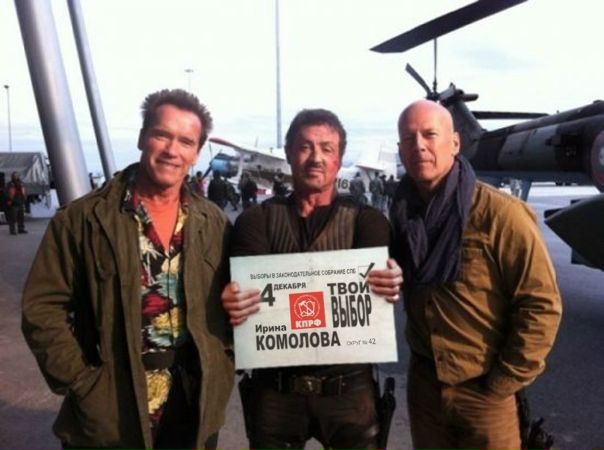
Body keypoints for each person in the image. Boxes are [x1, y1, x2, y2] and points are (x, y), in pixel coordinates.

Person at [21, 89, 234, 450]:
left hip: (194, 404)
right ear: (142, 138)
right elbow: (42, 308)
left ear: (196, 153)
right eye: (162, 135)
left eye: (186, 141)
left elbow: (239, 298)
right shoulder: (83, 219)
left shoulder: (213, 223)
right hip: (114, 408)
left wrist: (224, 362)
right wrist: (82, 382)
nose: (172, 150)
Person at [221, 108, 403, 450]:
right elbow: (250, 295)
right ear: (289, 154)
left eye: (326, 148)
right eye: (305, 147)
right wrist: (232, 298)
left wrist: (391, 281)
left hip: (349, 387)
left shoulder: (368, 221)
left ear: (339, 158)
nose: (316, 158)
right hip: (275, 387)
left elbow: (373, 298)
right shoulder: (256, 220)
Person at [390, 99, 562, 450]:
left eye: (429, 134)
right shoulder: (402, 218)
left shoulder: (501, 215)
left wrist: (503, 382)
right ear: (401, 150)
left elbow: (540, 304)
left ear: (455, 142)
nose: (419, 145)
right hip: (425, 390)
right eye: (408, 138)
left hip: (484, 394)